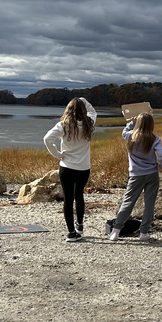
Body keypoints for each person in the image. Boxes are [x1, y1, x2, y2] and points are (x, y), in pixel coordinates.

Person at [107, 112, 162, 242]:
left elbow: (124, 131)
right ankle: (144, 232)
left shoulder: (130, 136)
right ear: (151, 124)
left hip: (136, 174)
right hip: (151, 173)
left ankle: (116, 231)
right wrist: (160, 165)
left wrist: (131, 123)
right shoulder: (154, 138)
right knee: (149, 203)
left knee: (128, 202)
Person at [43, 97, 97, 242]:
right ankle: (79, 225)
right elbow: (93, 111)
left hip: (67, 167)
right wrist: (83, 100)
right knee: (79, 195)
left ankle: (71, 233)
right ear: (83, 110)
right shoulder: (89, 123)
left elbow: (47, 139)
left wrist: (58, 155)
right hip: (84, 167)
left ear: (68, 110)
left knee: (68, 199)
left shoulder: (63, 125)